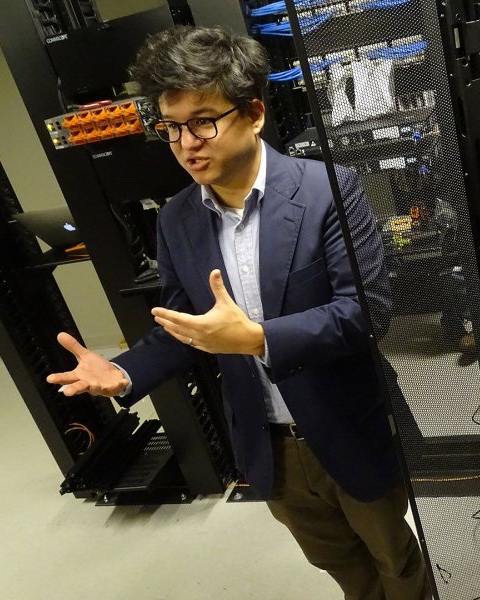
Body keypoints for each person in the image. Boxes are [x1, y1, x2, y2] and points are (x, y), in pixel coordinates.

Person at [46, 26, 430, 600]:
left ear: (252, 114)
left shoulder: (328, 189)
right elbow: (185, 328)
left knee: (393, 560)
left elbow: (365, 313)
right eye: (171, 126)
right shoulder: (176, 218)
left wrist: (253, 338)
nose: (186, 143)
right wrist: (125, 372)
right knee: (338, 564)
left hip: (348, 423)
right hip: (267, 439)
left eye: (203, 120)